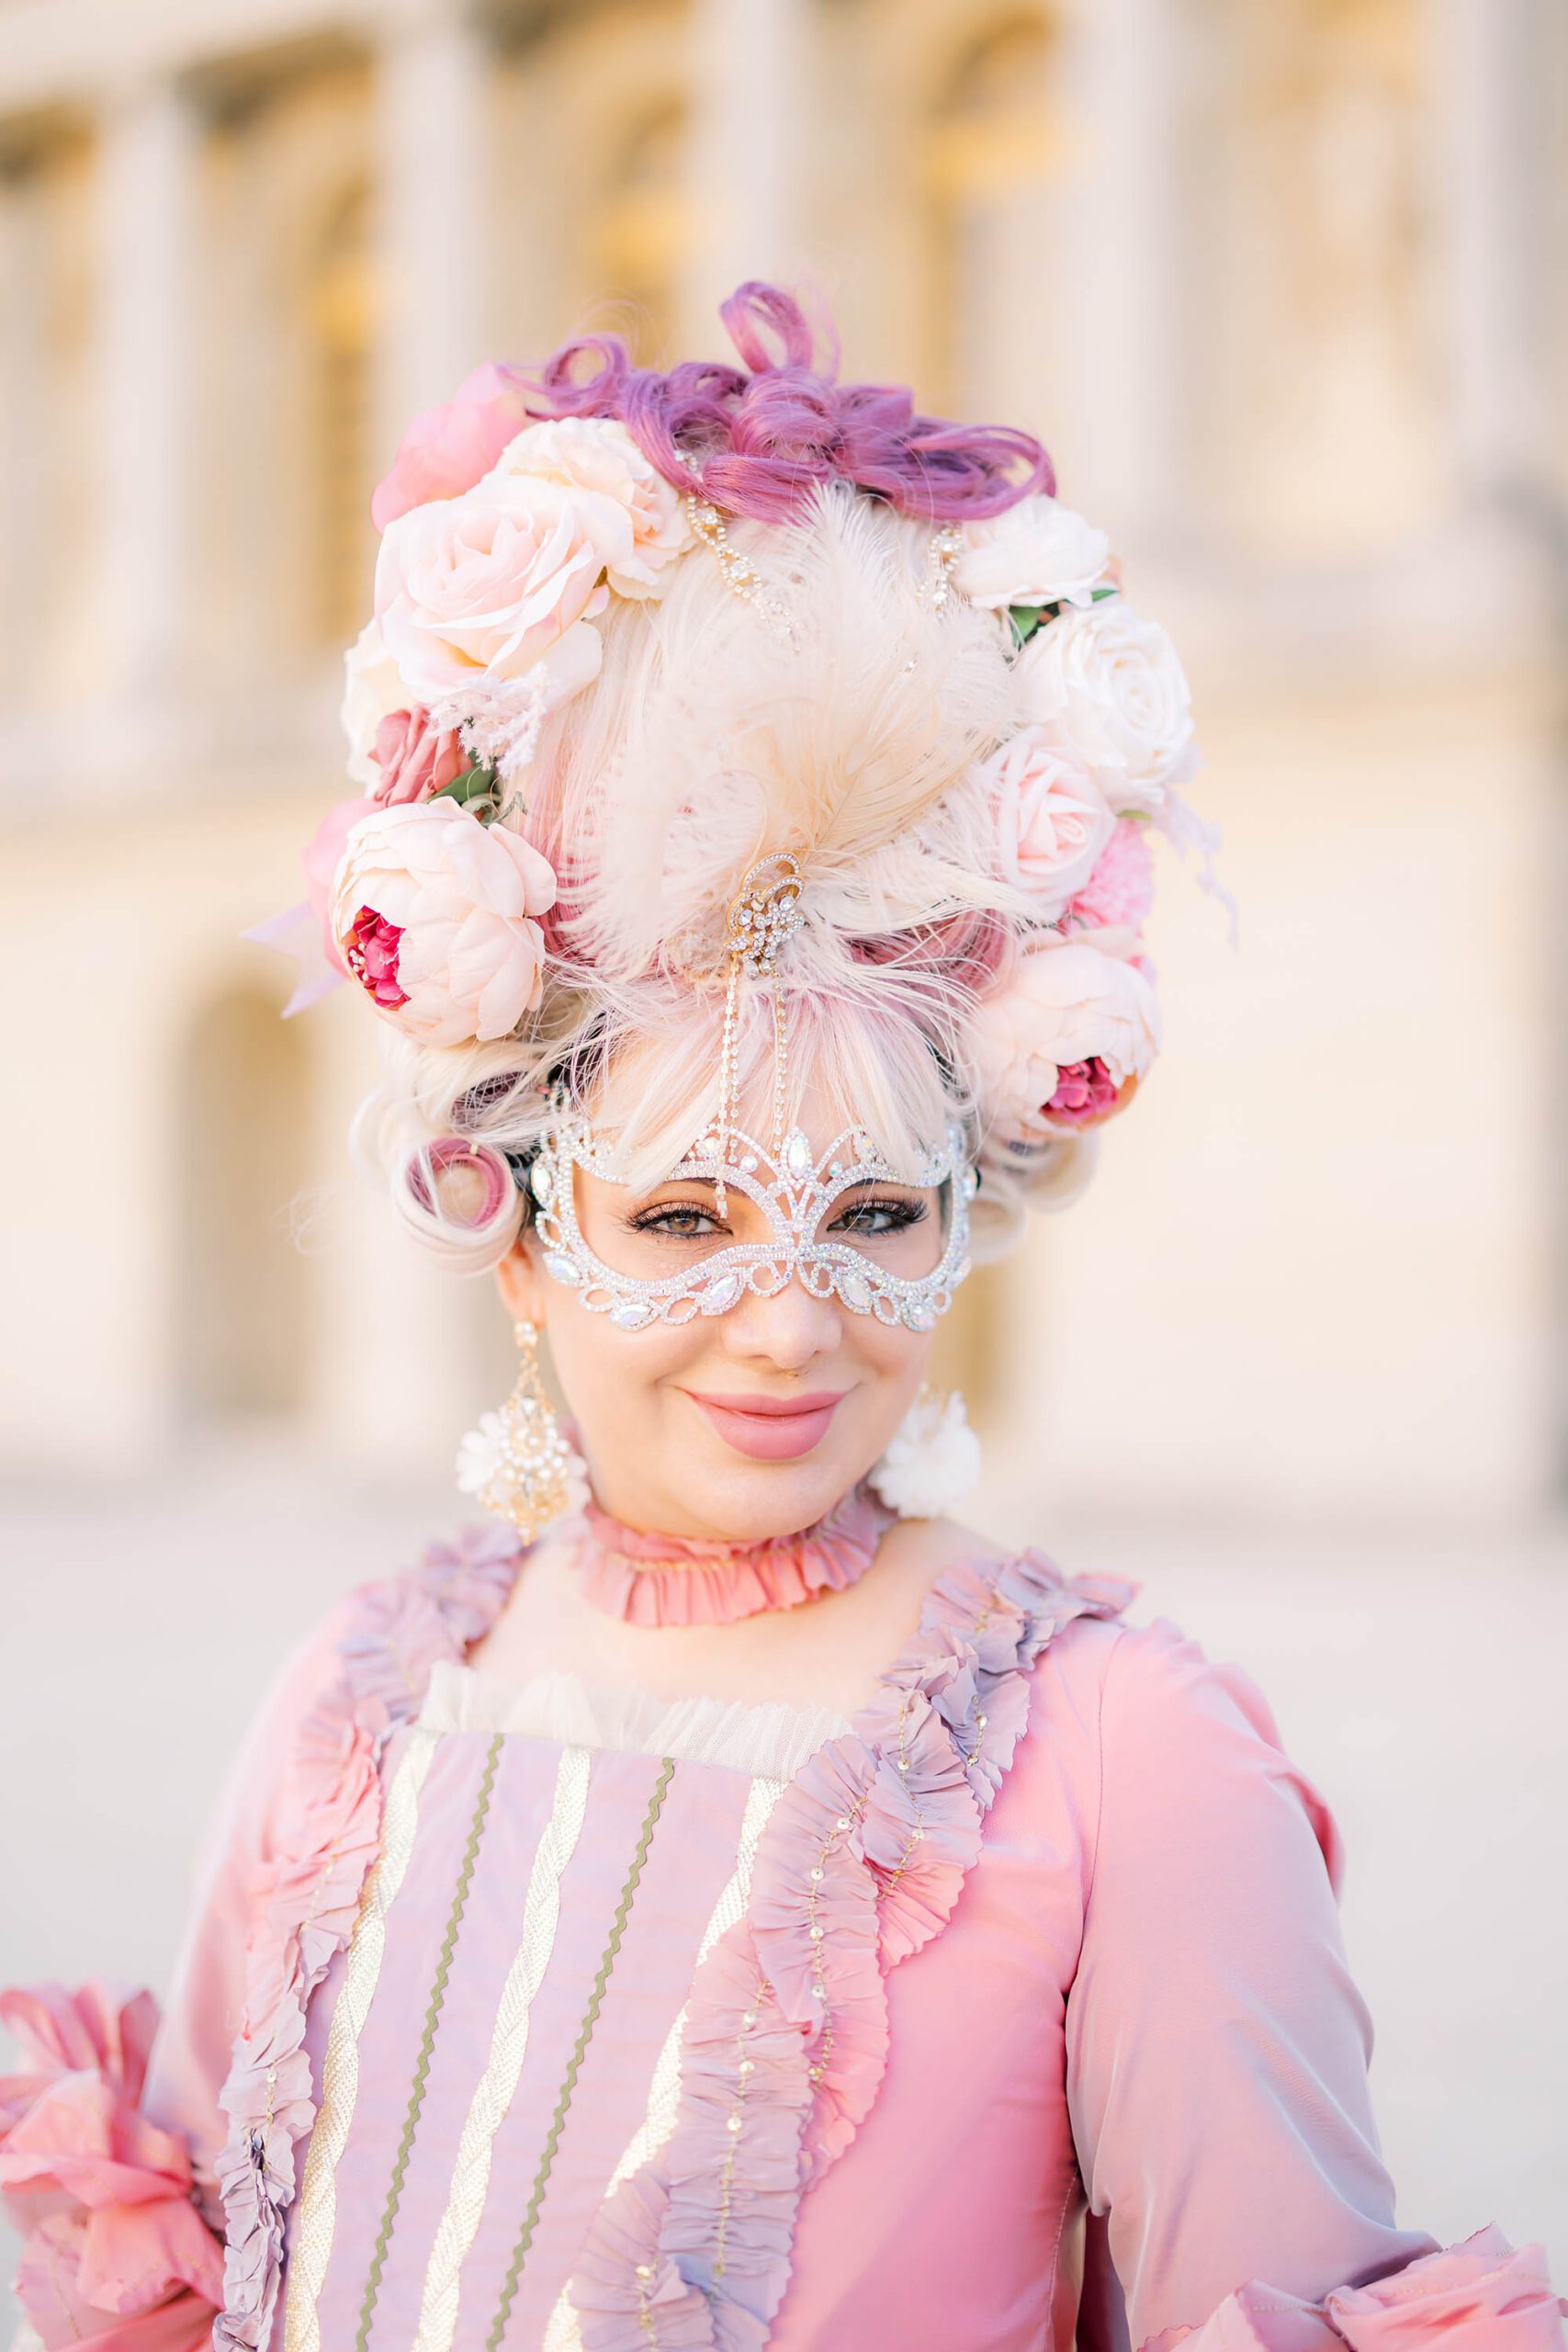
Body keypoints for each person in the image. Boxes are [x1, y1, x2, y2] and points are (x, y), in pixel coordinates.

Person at [2, 284, 1560, 2352]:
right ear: (519, 1236)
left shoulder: (1121, 1749)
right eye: (679, 1213)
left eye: (871, 1212)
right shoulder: (352, 1700)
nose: (789, 1321)